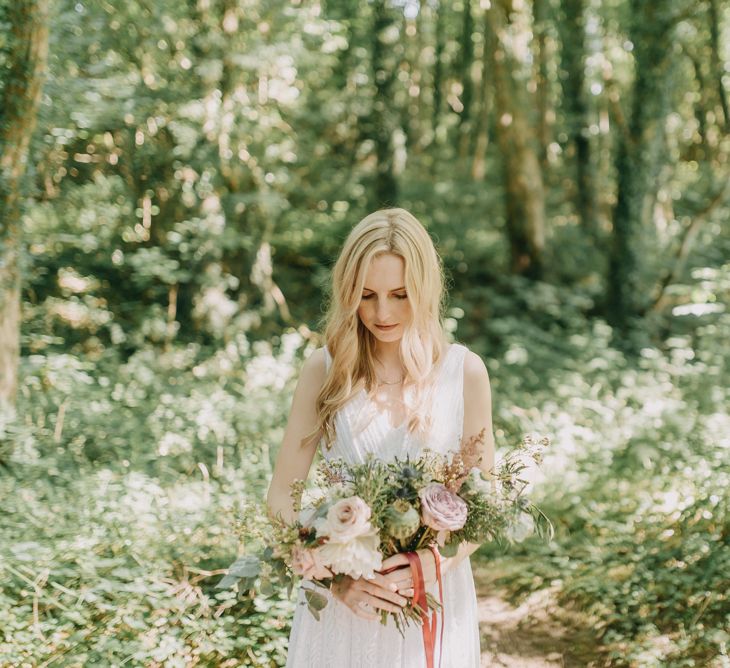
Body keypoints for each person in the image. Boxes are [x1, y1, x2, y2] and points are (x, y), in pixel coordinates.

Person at [266, 207, 495, 667]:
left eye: (399, 294)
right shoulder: (324, 371)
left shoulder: (463, 373)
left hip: (433, 602)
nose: (382, 312)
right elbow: (280, 501)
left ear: (425, 290)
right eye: (366, 295)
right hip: (343, 612)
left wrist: (434, 565)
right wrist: (333, 580)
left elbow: (487, 505)